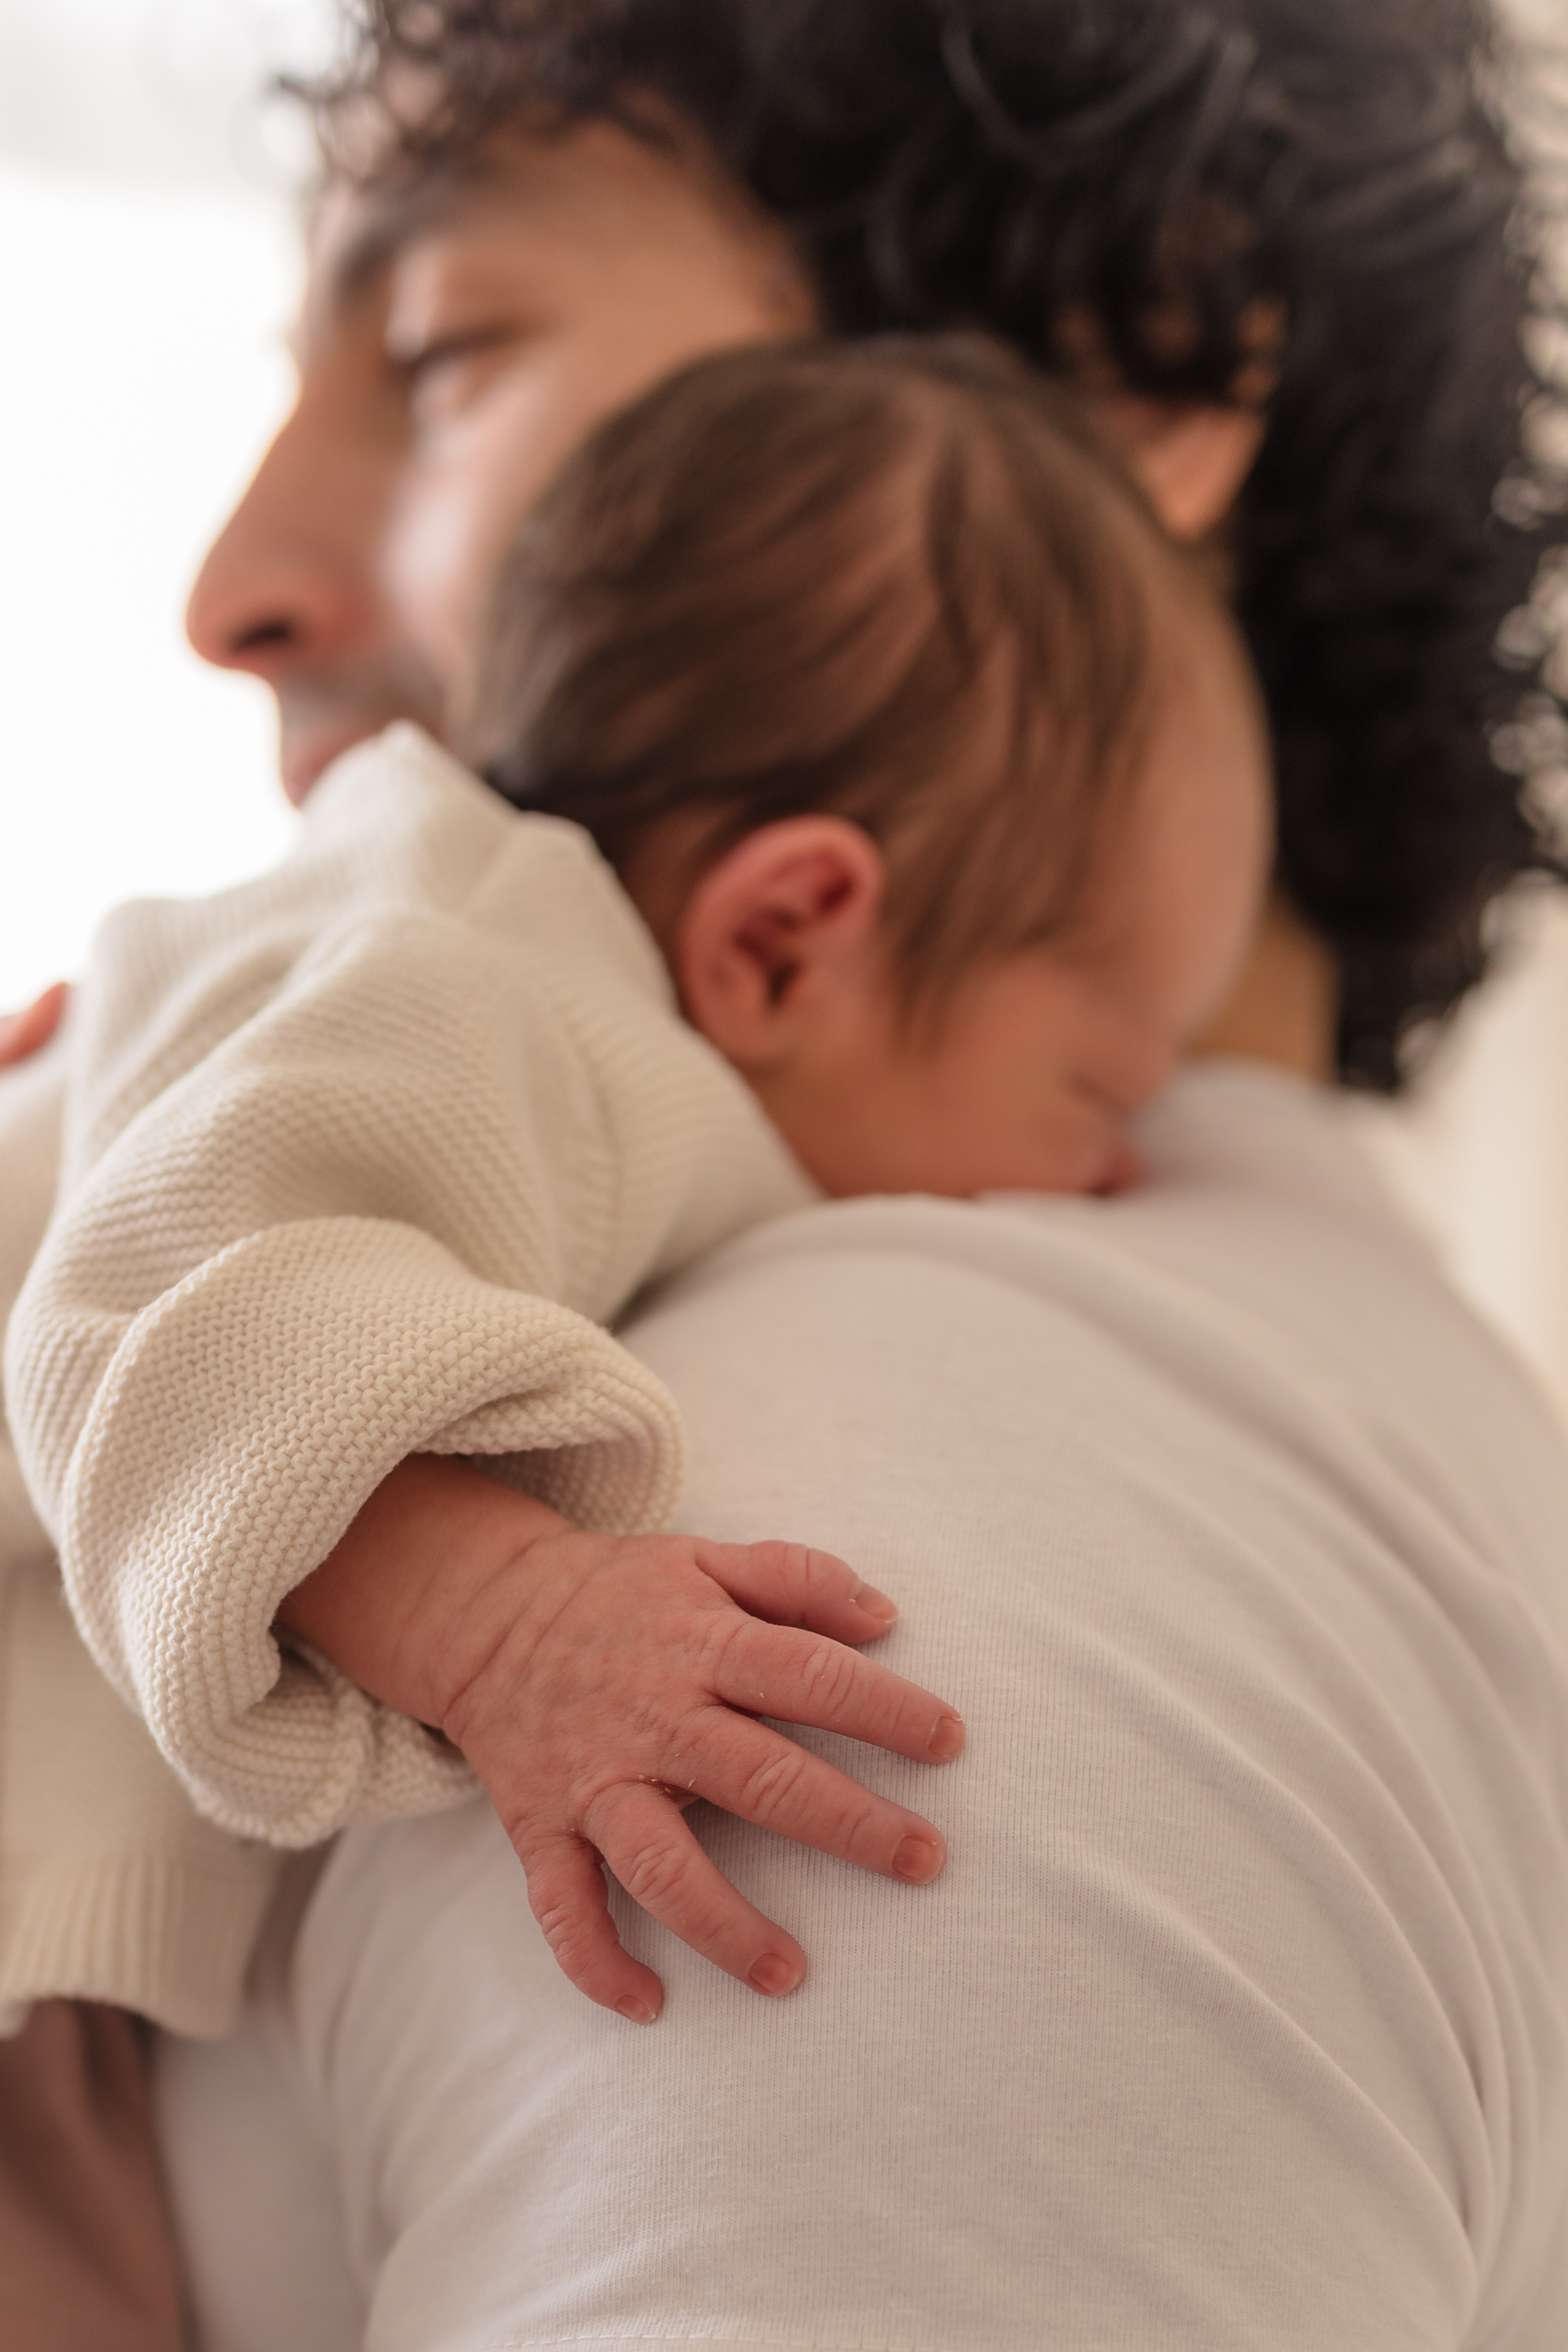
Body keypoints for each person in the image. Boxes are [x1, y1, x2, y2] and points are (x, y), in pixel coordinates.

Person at [1, 0, 1562, 2340]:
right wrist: (509, 1622)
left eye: (441, 345)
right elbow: (161, 1300)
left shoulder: (927, 1422)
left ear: (1120, 339)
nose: (229, 584)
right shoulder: (470, 963)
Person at [6, 332, 1270, 2028]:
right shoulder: (503, 1005)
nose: (1117, 1165)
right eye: (1091, 1083)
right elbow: (167, 1321)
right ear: (783, 941)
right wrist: (509, 1623)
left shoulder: (476, 964)